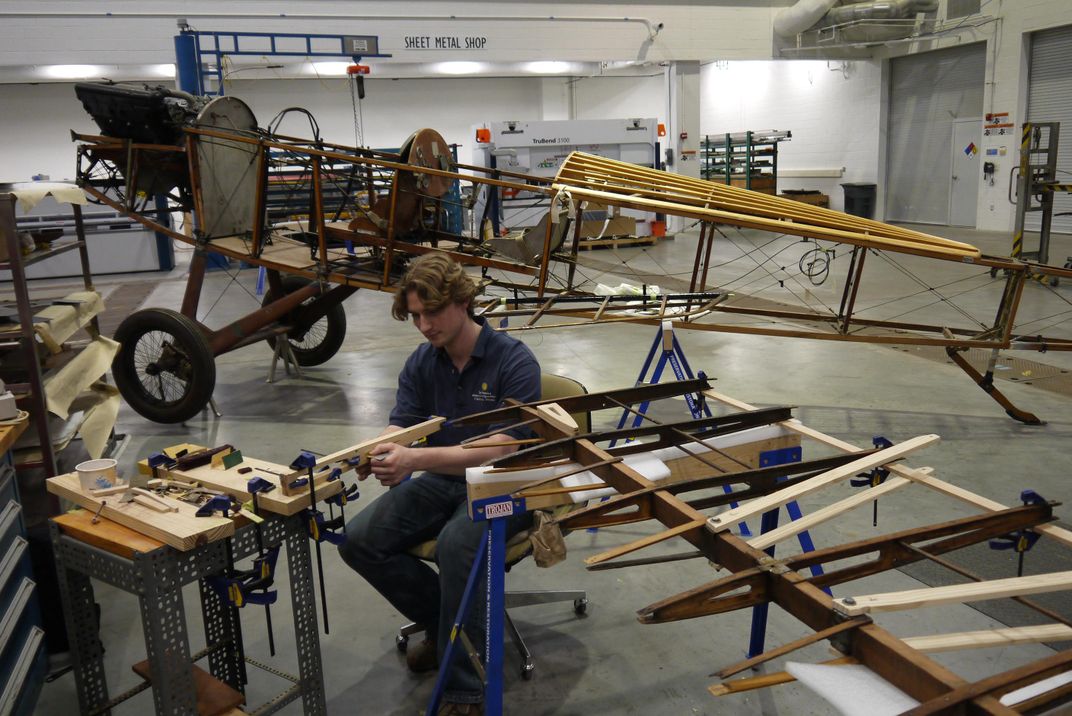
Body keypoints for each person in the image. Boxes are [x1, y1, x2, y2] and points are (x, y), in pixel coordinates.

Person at [339, 253, 541, 716]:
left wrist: (416, 457)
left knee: (456, 545)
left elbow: (502, 449)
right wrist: (380, 450)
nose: (424, 325)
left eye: (433, 312)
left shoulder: (513, 360)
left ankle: (465, 690)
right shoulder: (423, 362)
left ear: (464, 301)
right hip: (445, 479)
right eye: (415, 316)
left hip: (506, 485)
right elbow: (403, 425)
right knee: (358, 541)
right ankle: (444, 627)